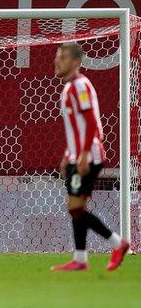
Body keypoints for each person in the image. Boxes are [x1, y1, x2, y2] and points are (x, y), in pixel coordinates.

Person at [50, 42, 129, 271]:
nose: (57, 62)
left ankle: (118, 243)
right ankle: (81, 259)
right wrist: (68, 154)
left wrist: (83, 154)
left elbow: (93, 122)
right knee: (77, 208)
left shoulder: (80, 86)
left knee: (75, 207)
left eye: (62, 58)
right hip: (78, 155)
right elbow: (79, 127)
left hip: (89, 156)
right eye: (57, 57)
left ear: (75, 62)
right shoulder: (70, 87)